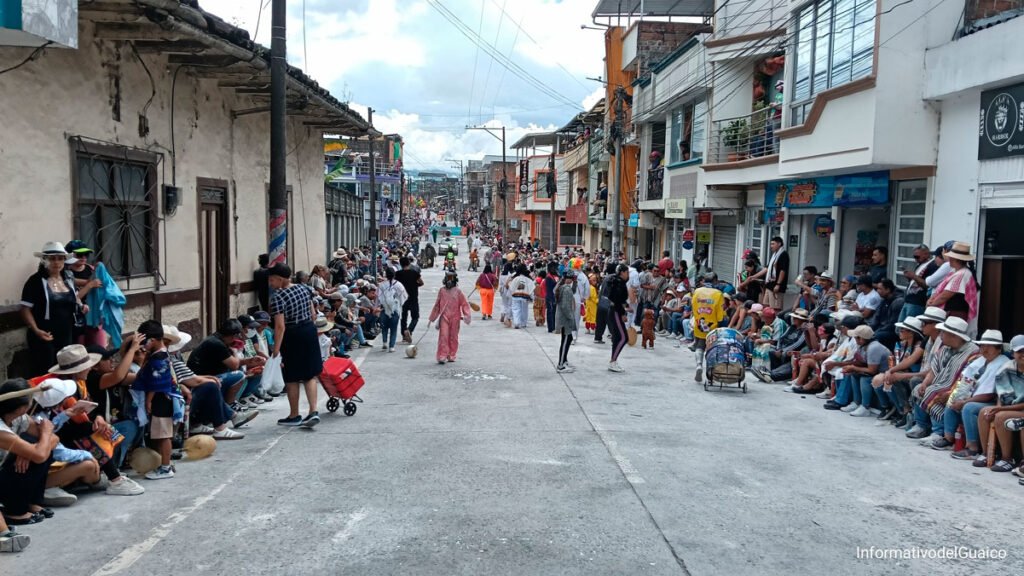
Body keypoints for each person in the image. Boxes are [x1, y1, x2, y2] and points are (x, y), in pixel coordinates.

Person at [0, 379, 65, 531]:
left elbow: (54, 440)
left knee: (42, 452)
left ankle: (31, 502)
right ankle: (15, 512)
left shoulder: (18, 418)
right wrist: (45, 435)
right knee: (41, 454)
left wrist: (30, 451)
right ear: (21, 408)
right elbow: (42, 447)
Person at [934, 330, 1011, 453]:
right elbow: (964, 380)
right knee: (952, 401)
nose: (984, 349)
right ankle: (948, 439)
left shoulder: (1003, 363)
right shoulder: (981, 360)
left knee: (969, 407)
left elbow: (988, 394)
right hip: (973, 396)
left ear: (998, 349)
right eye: (982, 345)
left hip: (993, 401)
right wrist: (954, 396)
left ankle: (972, 447)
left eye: (989, 346)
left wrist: (965, 401)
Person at [20, 242, 87, 377]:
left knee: (66, 370)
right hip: (45, 334)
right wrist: (36, 330)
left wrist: (81, 305)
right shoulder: (35, 281)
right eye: (52, 258)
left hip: (66, 332)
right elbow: (25, 309)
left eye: (60, 258)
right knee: (47, 372)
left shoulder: (68, 278)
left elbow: (73, 297)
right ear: (45, 260)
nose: (56, 262)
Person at [907, 317, 979, 441]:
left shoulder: (972, 352)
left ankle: (938, 432)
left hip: (960, 388)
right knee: (920, 388)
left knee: (934, 393)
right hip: (941, 383)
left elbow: (968, 379)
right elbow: (934, 370)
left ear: (953, 335)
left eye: (943, 333)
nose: (941, 336)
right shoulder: (945, 348)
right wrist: (925, 383)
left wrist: (950, 392)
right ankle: (921, 425)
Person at [268, 263, 322, 429]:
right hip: (309, 330)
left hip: (292, 334)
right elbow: (313, 313)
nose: (270, 283)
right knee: (309, 374)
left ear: (280, 279)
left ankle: (294, 415)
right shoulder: (303, 288)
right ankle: (313, 411)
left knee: (291, 377)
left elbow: (280, 326)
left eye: (271, 280)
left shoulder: (278, 296)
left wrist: (276, 349)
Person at [132, 321, 182, 480]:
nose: (142, 346)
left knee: (163, 435)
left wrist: (148, 400)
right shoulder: (158, 353)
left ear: (152, 340)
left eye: (144, 342)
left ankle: (166, 467)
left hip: (161, 399)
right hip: (162, 398)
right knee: (161, 434)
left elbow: (156, 382)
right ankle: (165, 464)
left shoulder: (158, 357)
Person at [187, 319, 262, 410]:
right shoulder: (216, 344)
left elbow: (234, 362)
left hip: (209, 375)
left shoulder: (218, 339)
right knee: (239, 375)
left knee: (252, 370)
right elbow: (234, 365)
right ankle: (230, 405)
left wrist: (250, 360)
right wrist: (235, 352)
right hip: (203, 378)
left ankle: (232, 404)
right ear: (234, 335)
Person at [976, 334, 1024, 472]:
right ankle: (987, 453)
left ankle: (1008, 458)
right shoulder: (1006, 368)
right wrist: (997, 407)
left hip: (1019, 408)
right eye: (1019, 351)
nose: (1023, 354)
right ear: (1013, 353)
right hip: (1013, 406)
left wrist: (999, 410)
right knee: (985, 412)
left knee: (1001, 416)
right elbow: (1003, 396)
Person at [927, 241, 979, 334]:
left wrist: (931, 304)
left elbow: (946, 295)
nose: (949, 259)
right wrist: (932, 299)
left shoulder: (962, 274)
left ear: (955, 259)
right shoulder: (956, 272)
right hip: (951, 312)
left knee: (951, 336)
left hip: (956, 314)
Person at [690, 273, 728, 383]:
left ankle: (699, 365)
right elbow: (720, 313)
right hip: (713, 326)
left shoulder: (697, 292)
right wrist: (721, 325)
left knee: (699, 346)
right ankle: (711, 372)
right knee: (713, 349)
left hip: (699, 324)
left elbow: (693, 307)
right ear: (715, 281)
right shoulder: (718, 294)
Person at [429, 270, 472, 364]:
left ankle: (452, 354)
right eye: (447, 278)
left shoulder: (458, 291)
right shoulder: (442, 291)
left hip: (455, 318)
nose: (449, 280)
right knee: (443, 336)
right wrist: (432, 318)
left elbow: (464, 304)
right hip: (444, 317)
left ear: (454, 279)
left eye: (451, 278)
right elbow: (437, 305)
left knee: (453, 337)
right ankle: (442, 355)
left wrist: (467, 315)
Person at [747, 237, 788, 311]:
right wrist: (754, 276)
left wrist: (778, 284)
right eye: (770, 244)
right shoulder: (774, 255)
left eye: (773, 244)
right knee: (765, 305)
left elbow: (783, 271)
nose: (771, 246)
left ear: (779, 244)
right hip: (769, 284)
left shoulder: (783, 255)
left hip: (776, 286)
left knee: (774, 308)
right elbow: (767, 268)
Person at [900, 244, 938, 321]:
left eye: (917, 257)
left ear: (926, 254)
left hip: (918, 303)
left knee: (910, 329)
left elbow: (928, 285)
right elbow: (917, 282)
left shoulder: (932, 265)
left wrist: (913, 276)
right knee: (899, 328)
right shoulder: (920, 265)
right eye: (914, 257)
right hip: (908, 300)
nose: (915, 259)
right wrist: (910, 278)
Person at [605, 264, 630, 373]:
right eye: (627, 272)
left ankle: (613, 361)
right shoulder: (619, 283)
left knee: (617, 338)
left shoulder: (616, 281)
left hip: (614, 311)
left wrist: (626, 306)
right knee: (623, 338)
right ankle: (613, 362)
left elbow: (618, 299)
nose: (628, 275)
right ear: (622, 272)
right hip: (615, 312)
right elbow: (616, 300)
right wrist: (623, 313)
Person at [377, 267, 408, 352]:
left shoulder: (381, 285)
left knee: (384, 327)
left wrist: (376, 307)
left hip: (384, 309)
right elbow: (404, 296)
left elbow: (378, 298)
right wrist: (399, 304)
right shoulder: (399, 285)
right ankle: (391, 347)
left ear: (386, 275)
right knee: (394, 328)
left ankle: (384, 342)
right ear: (394, 275)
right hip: (395, 309)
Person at [554, 270, 579, 373]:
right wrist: (570, 317)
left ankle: (564, 361)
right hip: (565, 319)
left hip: (562, 318)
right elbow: (565, 306)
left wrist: (575, 283)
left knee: (568, 339)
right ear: (570, 279)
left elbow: (572, 292)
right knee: (565, 340)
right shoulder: (566, 289)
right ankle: (561, 365)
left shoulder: (561, 286)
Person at [395, 257, 423, 343]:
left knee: (404, 317)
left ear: (400, 264)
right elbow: (421, 282)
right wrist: (415, 285)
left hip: (402, 298)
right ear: (409, 263)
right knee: (415, 317)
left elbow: (395, 285)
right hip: (413, 297)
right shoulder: (415, 273)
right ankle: (409, 330)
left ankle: (404, 335)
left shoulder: (398, 274)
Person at [508, 265, 533, 329]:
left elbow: (511, 287)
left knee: (516, 309)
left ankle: (517, 323)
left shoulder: (515, 278)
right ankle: (523, 323)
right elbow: (532, 288)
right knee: (524, 310)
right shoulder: (528, 279)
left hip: (515, 296)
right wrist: (531, 296)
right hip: (525, 296)